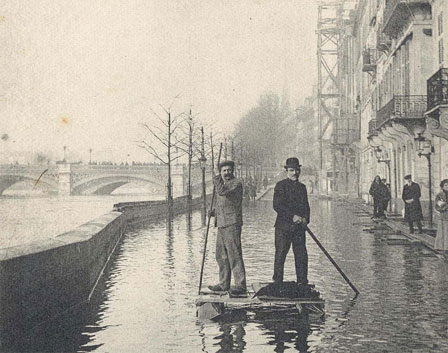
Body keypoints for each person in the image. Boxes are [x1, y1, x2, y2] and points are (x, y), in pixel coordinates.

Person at [208, 160, 247, 295]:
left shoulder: (236, 184)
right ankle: (224, 283)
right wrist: (213, 212)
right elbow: (223, 203)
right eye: (224, 171)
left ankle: (240, 285)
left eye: (229, 170)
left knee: (234, 254)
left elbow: (223, 192)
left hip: (232, 223)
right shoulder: (223, 184)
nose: (227, 173)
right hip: (221, 223)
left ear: (232, 171)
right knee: (221, 255)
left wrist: (216, 177)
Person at [273, 157, 310, 286]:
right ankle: (277, 283)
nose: (295, 173)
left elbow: (306, 206)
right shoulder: (280, 186)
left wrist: (306, 219)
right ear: (287, 171)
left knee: (301, 255)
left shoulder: (302, 187)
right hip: (283, 227)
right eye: (292, 170)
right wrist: (292, 216)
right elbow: (277, 206)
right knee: (280, 255)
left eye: (297, 170)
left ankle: (302, 283)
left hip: (299, 228)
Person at [434, 179, 448, 252]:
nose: (447, 186)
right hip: (444, 216)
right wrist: (444, 206)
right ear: (442, 187)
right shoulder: (439, 195)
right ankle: (443, 247)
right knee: (443, 232)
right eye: (446, 185)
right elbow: (437, 205)